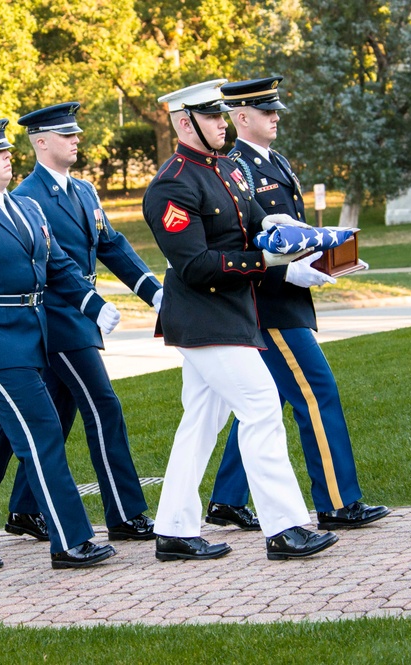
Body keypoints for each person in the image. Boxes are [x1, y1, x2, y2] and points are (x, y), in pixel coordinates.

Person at [142, 79, 338, 561]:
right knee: (263, 408)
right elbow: (197, 265)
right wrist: (270, 263)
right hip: (204, 319)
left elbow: (253, 221)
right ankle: (285, 527)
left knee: (201, 422)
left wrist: (293, 235)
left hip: (228, 316)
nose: (223, 124)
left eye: (223, 116)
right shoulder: (172, 184)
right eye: (213, 118)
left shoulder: (225, 168)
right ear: (186, 123)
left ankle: (173, 530)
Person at [0, 119, 120, 571]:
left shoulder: (25, 209)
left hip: (29, 340)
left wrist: (92, 304)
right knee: (42, 432)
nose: (8, 156)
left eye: (8, 150)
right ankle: (70, 542)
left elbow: (57, 266)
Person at [203, 77, 389, 532]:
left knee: (271, 398)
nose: (276, 117)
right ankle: (337, 502)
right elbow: (245, 242)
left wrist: (329, 259)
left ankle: (227, 499)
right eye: (267, 111)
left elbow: (291, 232)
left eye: (275, 110)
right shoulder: (235, 167)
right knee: (316, 391)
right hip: (269, 302)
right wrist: (287, 271)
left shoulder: (275, 161)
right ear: (241, 117)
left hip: (286, 298)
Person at [5, 101, 161, 543]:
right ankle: (125, 513)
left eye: (75, 133)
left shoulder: (84, 191)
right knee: (103, 406)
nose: (76, 140)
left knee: (57, 413)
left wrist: (153, 290)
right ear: (40, 142)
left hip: (80, 316)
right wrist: (89, 303)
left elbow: (111, 244)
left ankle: (23, 509)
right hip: (58, 319)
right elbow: (49, 268)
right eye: (66, 135)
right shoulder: (27, 199)